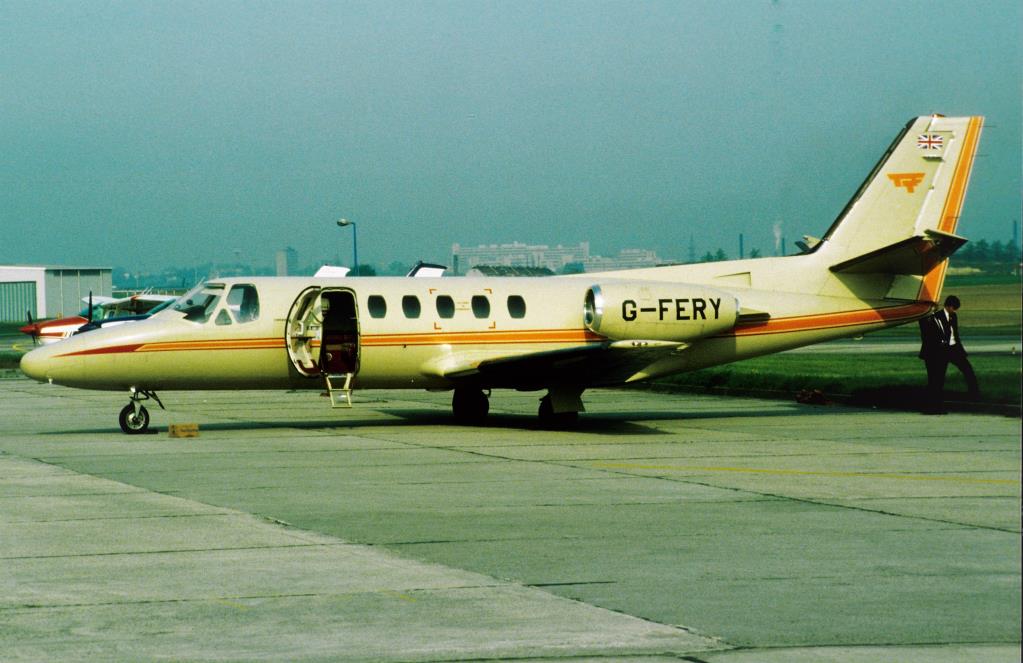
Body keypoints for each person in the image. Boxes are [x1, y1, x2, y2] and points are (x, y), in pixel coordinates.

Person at [918, 295, 979, 413]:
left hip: (953, 348)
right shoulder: (936, 317)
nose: (955, 312)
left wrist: (960, 350)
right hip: (940, 351)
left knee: (968, 370)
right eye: (954, 309)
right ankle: (934, 406)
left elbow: (955, 334)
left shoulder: (953, 316)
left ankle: (974, 394)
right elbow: (928, 335)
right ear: (949, 306)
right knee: (937, 379)